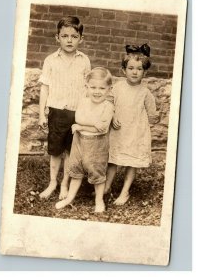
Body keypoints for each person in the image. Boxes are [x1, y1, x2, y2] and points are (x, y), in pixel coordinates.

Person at [38, 16, 91, 200]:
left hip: (76, 113)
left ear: (81, 39)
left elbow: (87, 89)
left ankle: (65, 184)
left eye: (74, 36)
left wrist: (86, 113)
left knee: (70, 151)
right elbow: (44, 87)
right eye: (65, 36)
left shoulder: (85, 61)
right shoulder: (50, 60)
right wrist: (41, 115)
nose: (69, 40)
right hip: (57, 111)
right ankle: (53, 182)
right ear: (57, 37)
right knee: (55, 150)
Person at [104, 44, 159, 205]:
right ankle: (106, 187)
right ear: (123, 70)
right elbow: (108, 104)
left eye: (139, 69)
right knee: (113, 159)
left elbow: (152, 114)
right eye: (131, 68)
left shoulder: (145, 93)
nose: (135, 72)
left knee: (131, 162)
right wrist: (113, 116)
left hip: (136, 133)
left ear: (145, 72)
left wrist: (144, 127)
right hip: (118, 131)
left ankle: (125, 192)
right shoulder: (118, 88)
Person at [55, 67, 114, 212]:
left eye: (102, 88)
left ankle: (99, 200)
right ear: (86, 87)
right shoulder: (84, 101)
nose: (97, 91)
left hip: (97, 145)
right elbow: (78, 118)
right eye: (93, 87)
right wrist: (93, 123)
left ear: (109, 89)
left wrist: (81, 127)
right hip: (79, 143)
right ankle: (69, 197)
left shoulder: (108, 106)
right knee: (76, 169)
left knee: (97, 171)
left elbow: (103, 128)